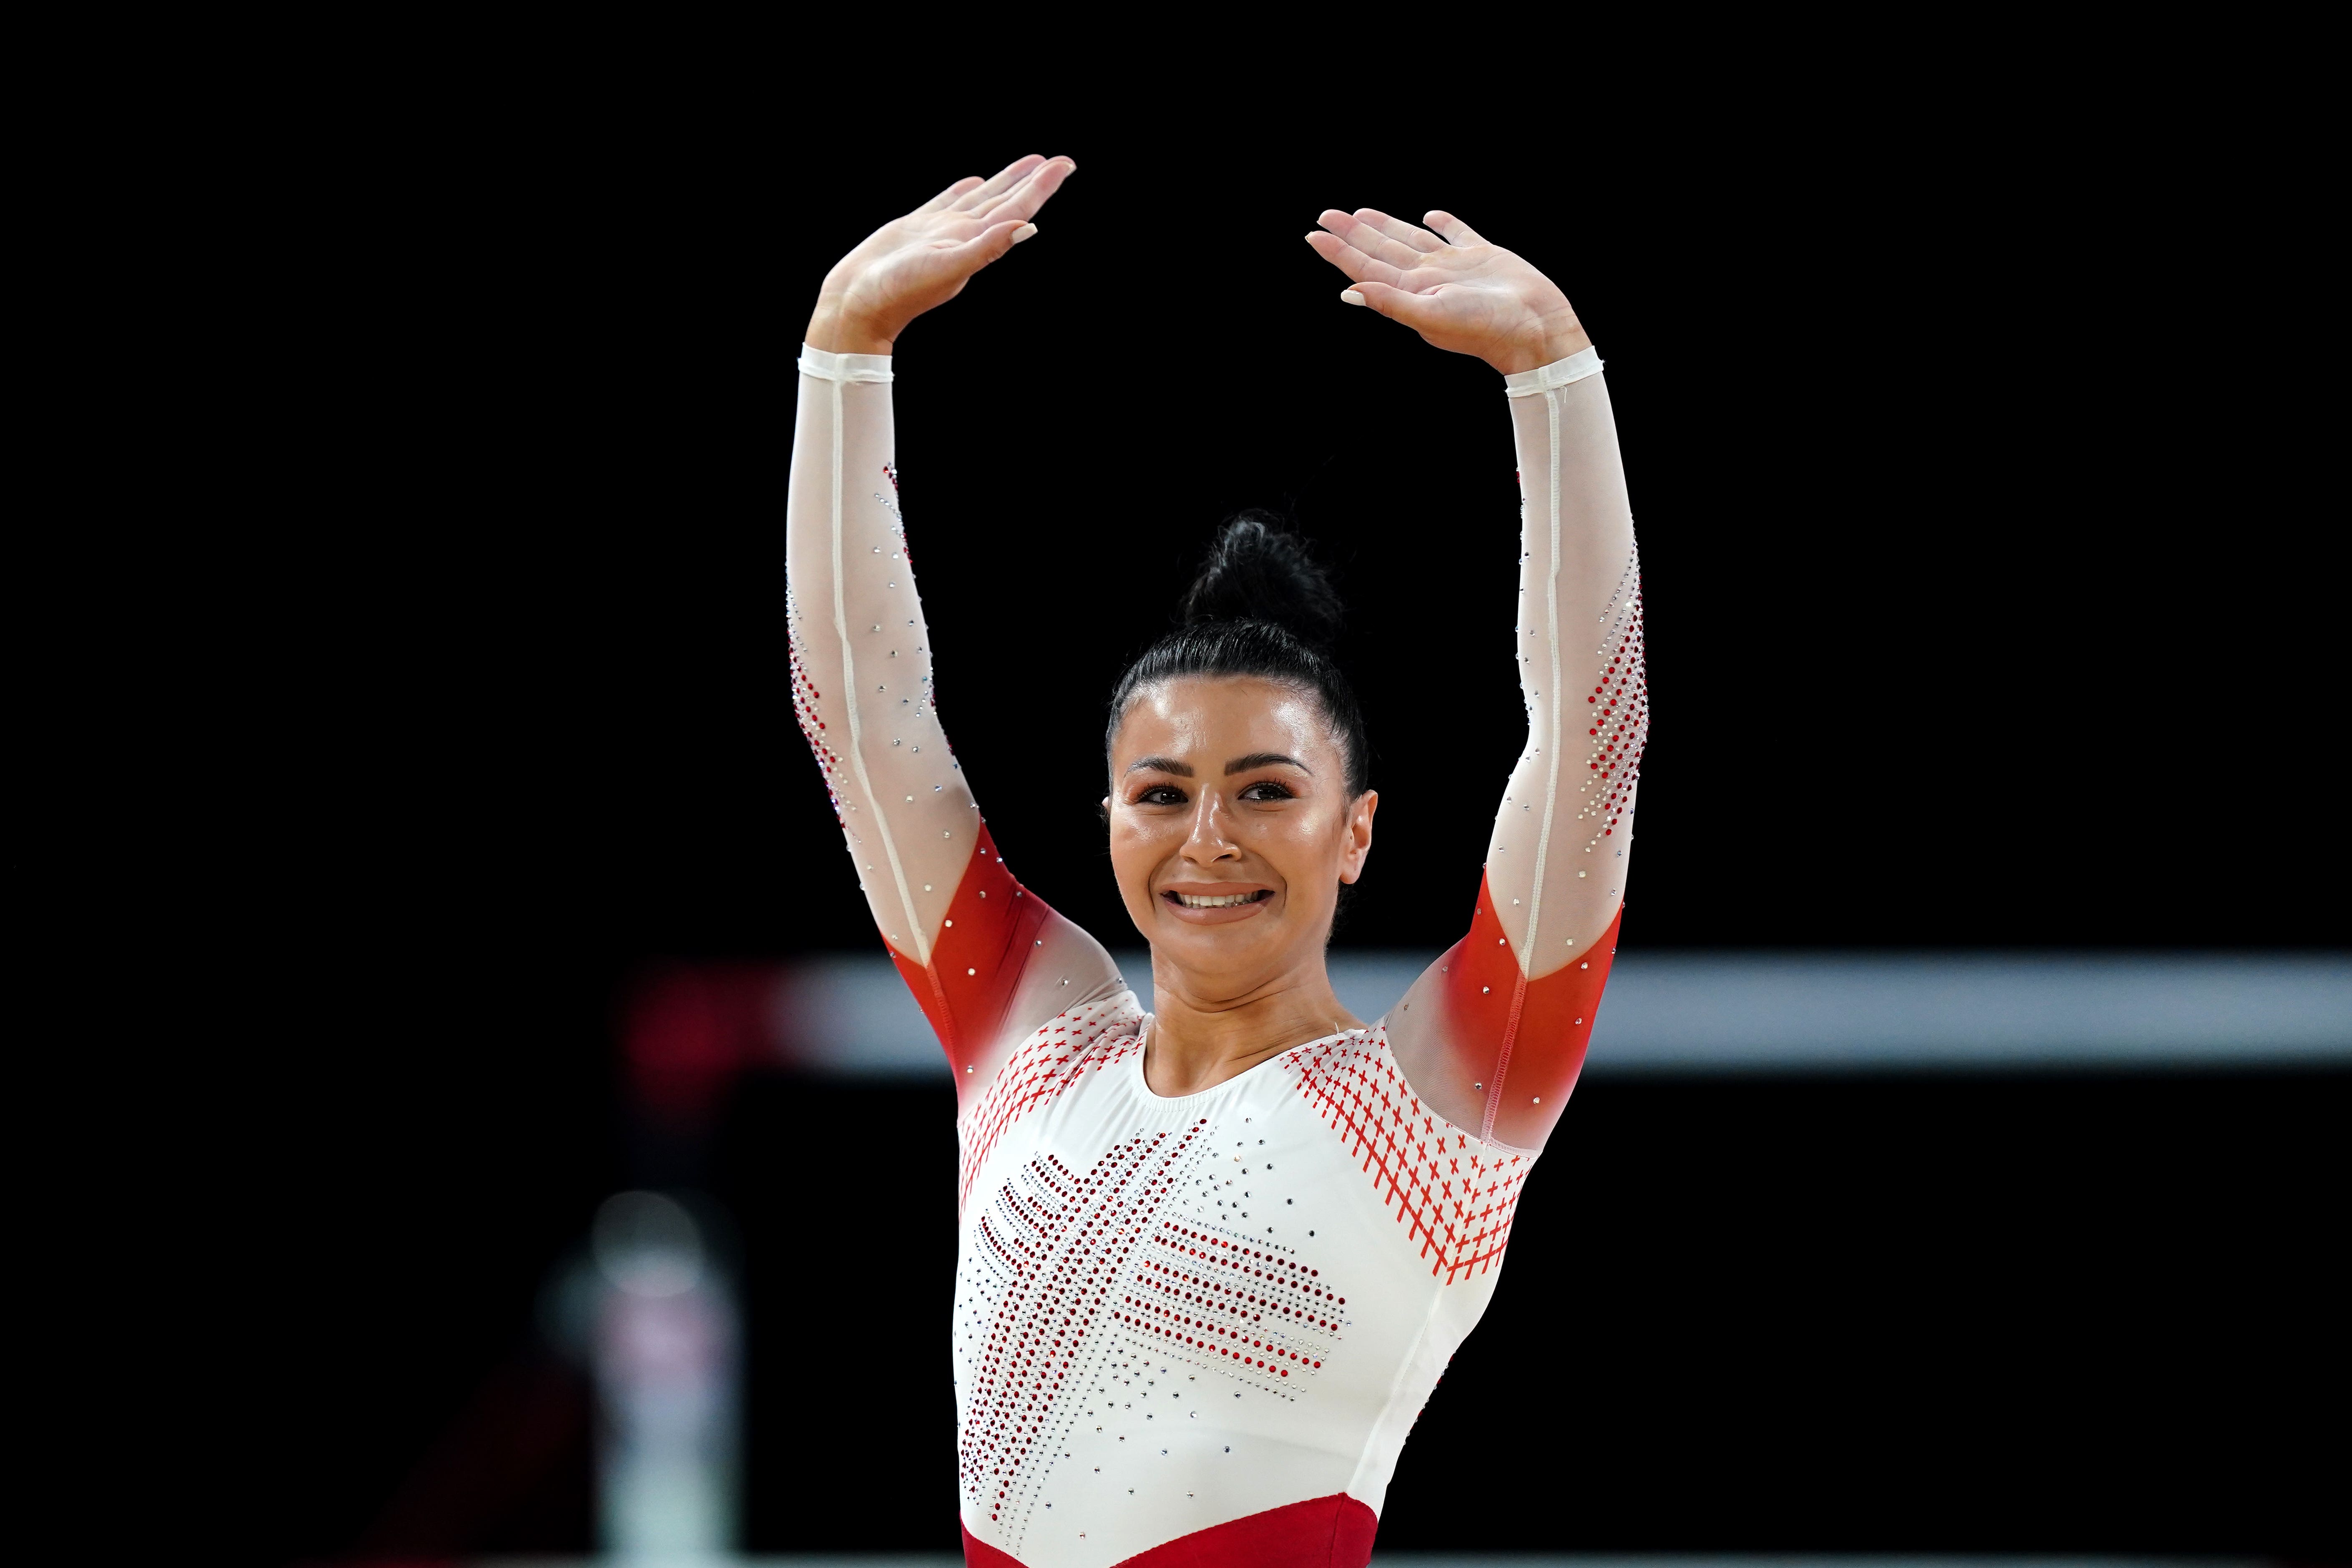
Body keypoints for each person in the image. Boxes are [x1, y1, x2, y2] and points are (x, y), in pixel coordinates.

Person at [788, 153, 1647, 1568]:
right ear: (1110, 816)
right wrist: (844, 344)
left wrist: (1554, 377)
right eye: (1161, 791)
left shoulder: (1439, 1106)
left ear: (1355, 827)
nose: (1207, 839)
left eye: (1265, 790)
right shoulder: (1032, 1048)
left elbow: (1590, 739)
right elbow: (863, 722)